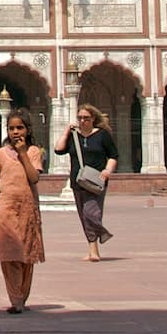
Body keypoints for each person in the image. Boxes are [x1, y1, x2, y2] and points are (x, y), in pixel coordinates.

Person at [0, 107, 45, 313]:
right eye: (11, 128)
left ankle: (22, 297)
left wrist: (22, 153)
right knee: (9, 254)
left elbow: (34, 178)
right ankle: (15, 299)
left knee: (27, 255)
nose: (15, 132)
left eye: (20, 128)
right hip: (7, 208)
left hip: (28, 209)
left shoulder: (34, 152)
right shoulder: (0, 154)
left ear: (27, 130)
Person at [56, 103, 118, 261]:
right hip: (78, 180)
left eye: (86, 118)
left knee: (91, 213)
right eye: (80, 118)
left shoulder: (102, 135)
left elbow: (113, 155)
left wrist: (108, 170)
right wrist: (66, 131)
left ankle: (99, 240)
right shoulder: (73, 136)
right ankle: (94, 248)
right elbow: (58, 149)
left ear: (93, 119)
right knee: (84, 216)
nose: (83, 121)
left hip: (97, 180)